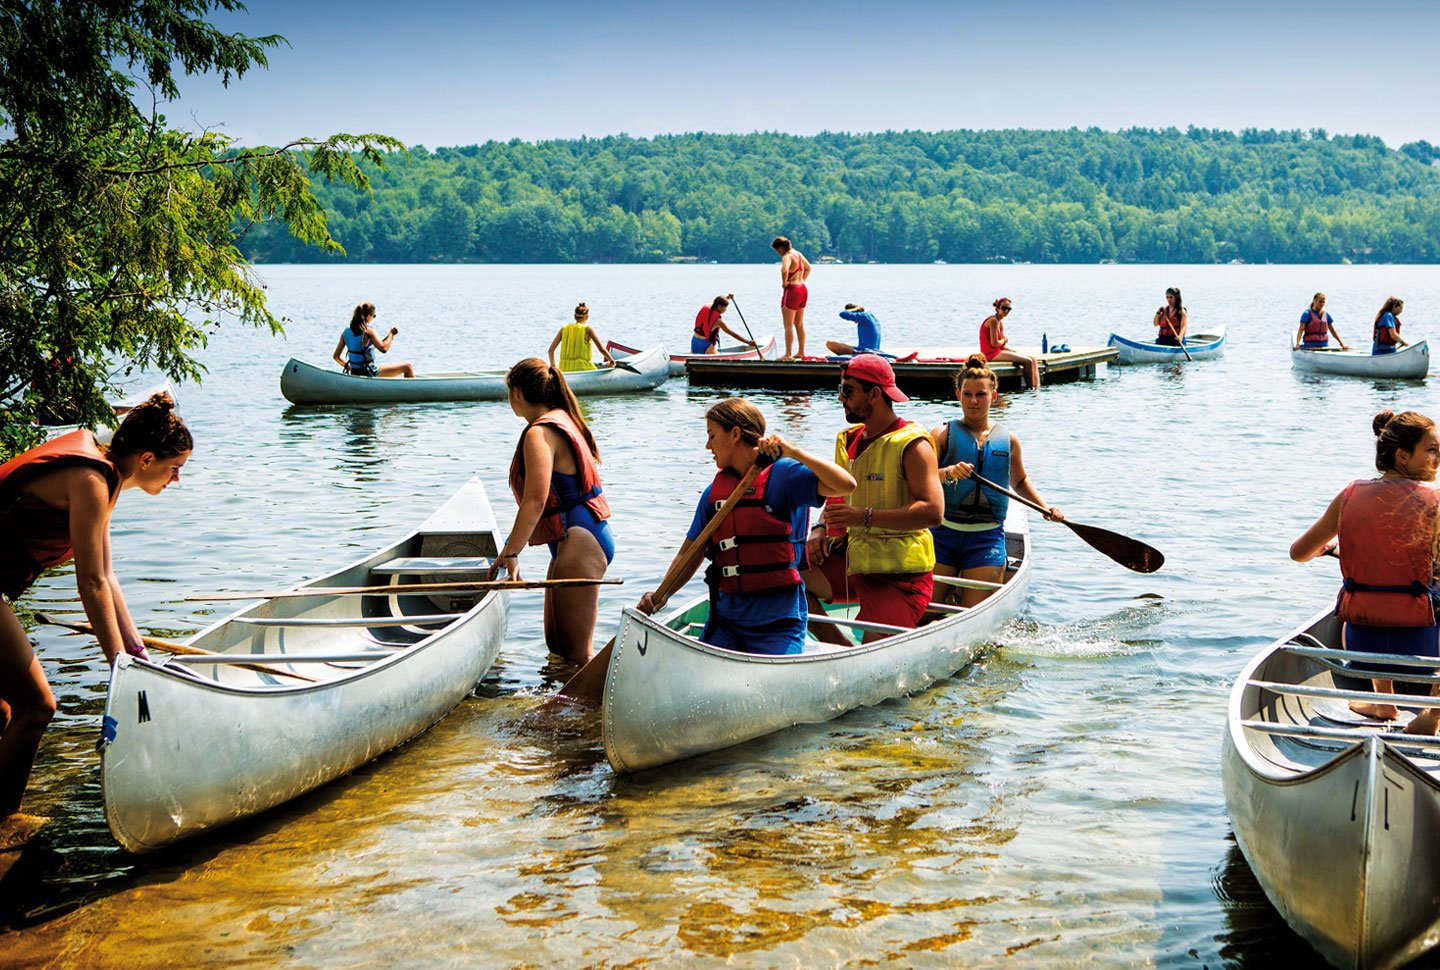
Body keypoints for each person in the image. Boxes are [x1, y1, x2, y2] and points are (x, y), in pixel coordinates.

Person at [0, 393, 191, 840]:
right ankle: (6, 831)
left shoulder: (104, 475)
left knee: (4, 713)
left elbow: (108, 576)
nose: (177, 478)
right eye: (175, 467)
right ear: (147, 458)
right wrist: (119, 671)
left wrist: (138, 656)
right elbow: (89, 584)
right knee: (37, 707)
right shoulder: (91, 479)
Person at [636, 399, 855, 655]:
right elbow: (689, 553)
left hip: (778, 623)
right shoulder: (713, 495)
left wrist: (794, 452)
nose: (708, 446)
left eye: (712, 436)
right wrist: (663, 593)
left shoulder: (784, 475)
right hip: (727, 622)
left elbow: (846, 485)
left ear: (735, 434)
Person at [1290, 410, 1440, 734]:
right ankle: (1432, 711)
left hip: (1360, 643)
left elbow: (1298, 554)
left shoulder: (1348, 498)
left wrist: (1332, 549)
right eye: (1431, 450)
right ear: (1403, 455)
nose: (1438, 458)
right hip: (1424, 646)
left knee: (1376, 593)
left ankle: (1382, 701)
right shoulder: (1436, 504)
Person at [802, 354, 943, 642]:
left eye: (848, 391)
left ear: (875, 394)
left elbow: (933, 512)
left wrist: (864, 517)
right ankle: (838, 648)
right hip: (853, 560)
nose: (841, 398)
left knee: (873, 651)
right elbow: (836, 494)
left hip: (900, 576)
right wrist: (820, 528)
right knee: (782, 576)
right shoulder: (849, 439)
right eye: (840, 389)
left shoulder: (913, 445)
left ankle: (851, 659)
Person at [490, 358, 614, 663]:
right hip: (575, 537)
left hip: (580, 539)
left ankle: (592, 709)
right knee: (557, 648)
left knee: (575, 653)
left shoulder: (539, 432)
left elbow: (535, 500)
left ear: (516, 393)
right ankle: (565, 710)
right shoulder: (561, 417)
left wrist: (511, 552)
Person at [931, 355, 1063, 608]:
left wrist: (1046, 508)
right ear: (958, 394)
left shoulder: (1008, 440)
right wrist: (948, 472)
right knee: (926, 613)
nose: (973, 401)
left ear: (994, 395)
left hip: (986, 536)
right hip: (943, 534)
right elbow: (921, 479)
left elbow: (1020, 481)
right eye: (967, 394)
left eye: (980, 394)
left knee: (973, 613)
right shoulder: (941, 434)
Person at [331, 301, 415, 378]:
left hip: (354, 372)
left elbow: (336, 357)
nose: (374, 318)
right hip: (369, 372)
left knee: (396, 372)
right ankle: (413, 393)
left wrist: (346, 366)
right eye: (374, 316)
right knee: (408, 367)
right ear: (368, 316)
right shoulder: (369, 331)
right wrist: (391, 334)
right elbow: (384, 349)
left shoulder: (345, 332)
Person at [978, 298, 1041, 389]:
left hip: (997, 351)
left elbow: (1001, 346)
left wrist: (1013, 352)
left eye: (1009, 309)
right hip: (990, 354)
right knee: (1028, 362)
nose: (1006, 311)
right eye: (1004, 308)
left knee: (1033, 359)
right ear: (997, 309)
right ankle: (1031, 390)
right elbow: (995, 343)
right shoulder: (993, 321)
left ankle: (1037, 387)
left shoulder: (1000, 323)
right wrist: (1004, 340)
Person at [772, 236, 812, 360]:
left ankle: (788, 354)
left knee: (788, 325)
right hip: (803, 289)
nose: (777, 252)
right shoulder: (798, 254)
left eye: (777, 249)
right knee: (799, 324)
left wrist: (784, 282)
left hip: (792, 291)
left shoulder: (787, 256)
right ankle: (801, 352)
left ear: (782, 247)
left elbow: (784, 269)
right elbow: (808, 268)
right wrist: (802, 281)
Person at [549, 302, 616, 373]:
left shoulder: (564, 329)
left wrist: (553, 366)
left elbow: (550, 350)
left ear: (574, 316)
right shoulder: (588, 329)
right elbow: (601, 349)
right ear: (587, 317)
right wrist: (612, 361)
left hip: (564, 371)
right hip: (583, 369)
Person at [692, 295, 759, 355]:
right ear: (720, 306)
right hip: (705, 346)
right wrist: (748, 342)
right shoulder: (718, 321)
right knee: (719, 356)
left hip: (694, 342)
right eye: (725, 308)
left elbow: (715, 302)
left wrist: (727, 298)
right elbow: (732, 333)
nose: (726, 310)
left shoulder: (705, 307)